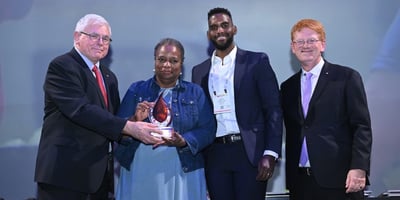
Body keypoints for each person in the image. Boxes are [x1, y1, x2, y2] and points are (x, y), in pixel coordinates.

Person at [34, 14, 162, 200]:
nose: (101, 42)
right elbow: (81, 110)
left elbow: (109, 121)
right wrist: (129, 127)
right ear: (77, 37)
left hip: (98, 178)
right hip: (64, 176)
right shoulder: (62, 66)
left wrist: (133, 120)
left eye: (106, 38)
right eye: (94, 36)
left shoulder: (108, 76)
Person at [191, 7, 283, 200]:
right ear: (209, 34)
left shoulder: (256, 61)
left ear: (234, 29)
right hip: (215, 154)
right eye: (214, 27)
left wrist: (271, 152)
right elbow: (198, 118)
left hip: (250, 153)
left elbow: (273, 110)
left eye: (225, 25)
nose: (220, 30)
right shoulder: (199, 71)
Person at [280, 18, 372, 200]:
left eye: (312, 40)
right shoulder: (287, 87)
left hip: (340, 180)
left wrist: (359, 167)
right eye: (300, 41)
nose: (305, 45)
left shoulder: (346, 77)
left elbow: (362, 126)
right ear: (292, 47)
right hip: (300, 183)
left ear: (322, 44)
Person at [114, 38, 216, 200]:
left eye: (173, 61)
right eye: (161, 59)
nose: (166, 65)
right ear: (154, 61)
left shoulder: (195, 93)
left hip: (183, 170)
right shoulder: (136, 90)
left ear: (181, 63)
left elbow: (208, 130)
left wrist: (183, 141)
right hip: (141, 170)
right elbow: (117, 130)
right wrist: (134, 119)